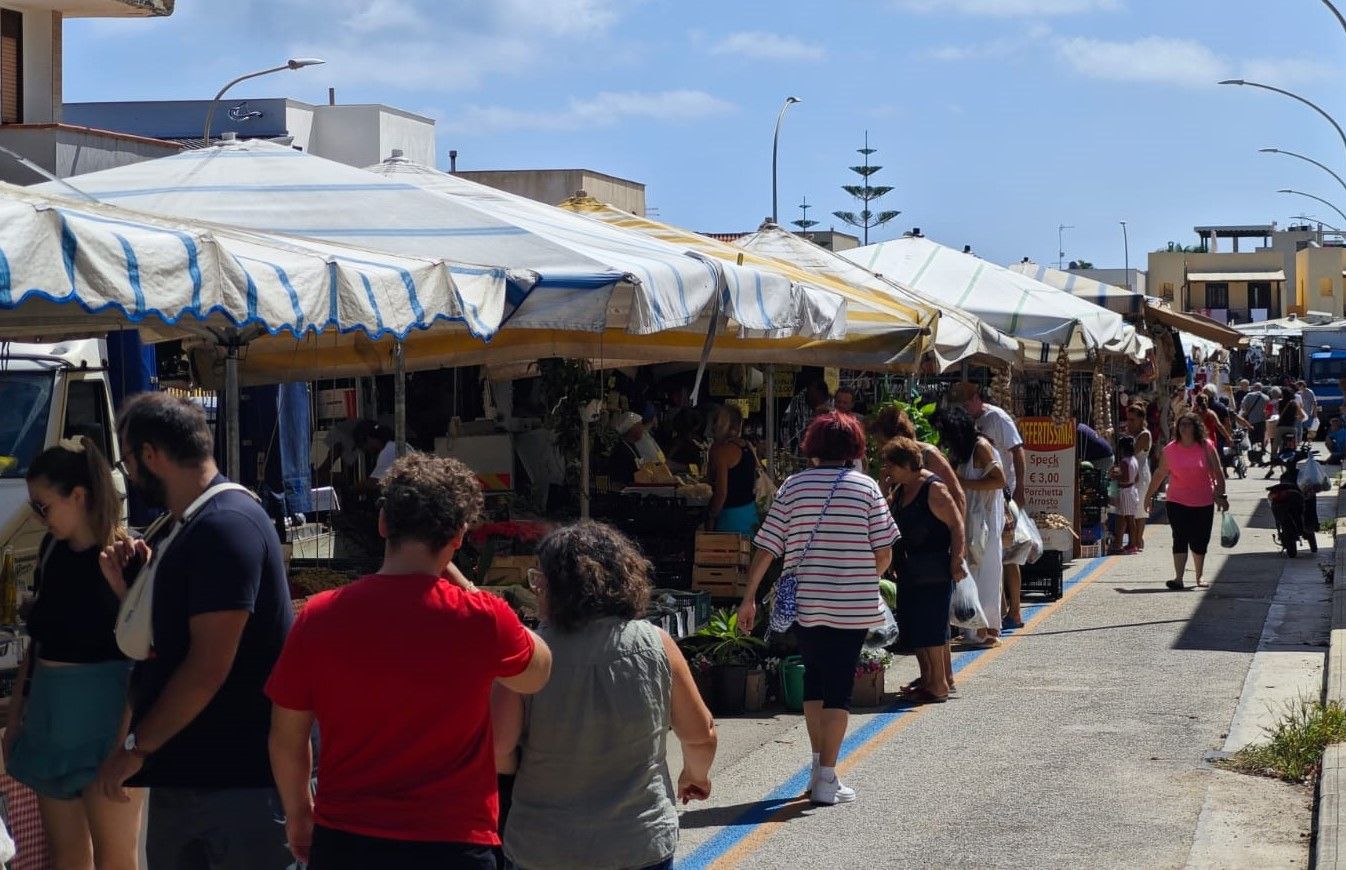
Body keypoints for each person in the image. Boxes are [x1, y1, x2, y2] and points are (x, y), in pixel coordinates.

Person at [266, 453, 552, 869]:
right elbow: (538, 673)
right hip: (453, 844)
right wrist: (470, 588)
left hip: (347, 840)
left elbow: (287, 739)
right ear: (459, 536)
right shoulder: (482, 618)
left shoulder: (318, 616)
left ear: (383, 523)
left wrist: (298, 814)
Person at [96, 392, 294, 868]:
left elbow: (207, 666)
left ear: (150, 454)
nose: (129, 475)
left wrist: (135, 747)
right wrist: (134, 591)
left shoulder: (225, 525)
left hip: (236, 787)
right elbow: (170, 644)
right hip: (194, 780)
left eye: (128, 461)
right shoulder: (189, 526)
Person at [495, 522, 715, 870]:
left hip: (544, 846)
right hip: (638, 842)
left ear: (552, 587)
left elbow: (499, 748)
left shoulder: (527, 654)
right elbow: (701, 735)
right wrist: (694, 776)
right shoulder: (657, 645)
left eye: (538, 580)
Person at [738, 412, 898, 806]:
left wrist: (749, 597)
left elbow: (767, 547)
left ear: (813, 445)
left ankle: (816, 767)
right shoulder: (866, 488)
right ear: (853, 447)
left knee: (814, 679)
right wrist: (862, 577)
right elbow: (884, 552)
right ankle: (827, 777)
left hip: (805, 602)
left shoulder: (793, 486)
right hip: (851, 605)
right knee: (839, 687)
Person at [5, 438, 142, 870]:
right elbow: (38, 643)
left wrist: (127, 743)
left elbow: (147, 653)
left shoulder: (127, 556)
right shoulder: (51, 551)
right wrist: (16, 717)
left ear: (78, 496)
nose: (38, 517)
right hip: (50, 720)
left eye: (42, 506)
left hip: (106, 723)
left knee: (115, 860)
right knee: (65, 859)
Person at [881, 437, 966, 703]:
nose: (887, 470)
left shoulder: (933, 488)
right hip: (910, 569)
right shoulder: (901, 489)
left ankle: (939, 685)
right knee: (917, 626)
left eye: (891, 465)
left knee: (931, 628)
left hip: (933, 568)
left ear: (906, 464)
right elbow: (886, 517)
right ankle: (928, 680)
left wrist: (957, 559)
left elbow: (956, 525)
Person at [947, 382, 1027, 630]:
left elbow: (1016, 452)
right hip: (979, 507)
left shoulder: (997, 419)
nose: (965, 408)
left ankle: (1012, 613)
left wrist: (1020, 488)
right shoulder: (967, 441)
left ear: (976, 398)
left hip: (999, 500)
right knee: (987, 564)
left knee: (1005, 558)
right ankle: (993, 618)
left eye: (966, 403)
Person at [936, 407, 1005, 646]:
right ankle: (977, 628)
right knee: (974, 571)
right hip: (972, 519)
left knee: (985, 572)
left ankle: (985, 630)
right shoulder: (963, 452)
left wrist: (962, 483)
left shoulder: (980, 447)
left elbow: (999, 480)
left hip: (984, 520)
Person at [1143, 412, 1229, 590]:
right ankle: (1178, 578)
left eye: (1188, 424)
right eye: (1181, 424)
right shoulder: (1170, 449)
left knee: (1200, 539)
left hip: (1203, 501)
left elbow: (1218, 471)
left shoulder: (1206, 446)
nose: (1184, 428)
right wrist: (1148, 495)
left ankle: (1199, 576)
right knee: (1179, 537)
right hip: (1177, 501)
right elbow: (1160, 473)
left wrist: (1221, 495)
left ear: (1196, 427)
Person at [869, 406, 966, 514]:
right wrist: (884, 488)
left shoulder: (929, 456)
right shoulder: (896, 462)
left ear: (900, 436)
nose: (881, 449)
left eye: (883, 442)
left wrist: (957, 524)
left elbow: (958, 495)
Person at [706, 404, 761, 535]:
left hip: (730, 518)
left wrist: (711, 515)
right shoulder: (747, 447)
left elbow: (721, 493)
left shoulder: (722, 452)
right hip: (751, 514)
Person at [1124, 403, 1154, 551]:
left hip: (1140, 474)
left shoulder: (1144, 435)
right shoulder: (1132, 434)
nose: (1129, 423)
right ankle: (1134, 541)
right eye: (1128, 419)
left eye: (1132, 420)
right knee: (1130, 508)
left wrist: (1126, 436)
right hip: (1130, 473)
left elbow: (1131, 452)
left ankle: (1137, 541)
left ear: (1141, 419)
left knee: (1140, 510)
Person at [1112, 435, 1140, 555]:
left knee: (1129, 520)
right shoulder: (1134, 460)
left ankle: (1132, 544)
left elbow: (1125, 478)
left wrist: (1114, 476)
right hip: (1133, 490)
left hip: (1126, 492)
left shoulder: (1124, 462)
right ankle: (1132, 544)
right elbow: (1137, 478)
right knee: (1130, 519)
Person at [353, 419, 396, 490]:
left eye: (362, 446)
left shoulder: (388, 451)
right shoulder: (392, 446)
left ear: (368, 438)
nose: (364, 450)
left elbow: (374, 483)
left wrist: (352, 489)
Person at [1239, 382, 1271, 462]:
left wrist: (1247, 413)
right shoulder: (1266, 397)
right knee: (1261, 439)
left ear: (1253, 388)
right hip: (1262, 422)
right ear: (1261, 388)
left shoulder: (1248, 395)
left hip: (1251, 422)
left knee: (1252, 440)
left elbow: (1242, 406)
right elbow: (1269, 410)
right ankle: (1260, 457)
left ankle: (1252, 458)